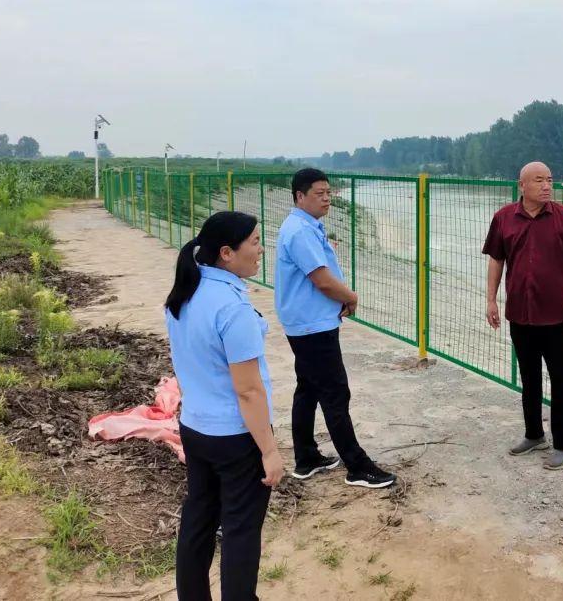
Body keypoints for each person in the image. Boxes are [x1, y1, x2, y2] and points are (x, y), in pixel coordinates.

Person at [164, 211, 284, 601]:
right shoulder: (232, 308)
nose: (261, 249)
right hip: (235, 438)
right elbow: (249, 391)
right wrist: (269, 450)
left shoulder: (184, 294)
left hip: (196, 428)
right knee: (241, 530)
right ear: (227, 253)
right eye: (254, 242)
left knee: (198, 518)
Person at [275, 167, 397, 488]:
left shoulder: (306, 225)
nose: (327, 198)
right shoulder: (300, 231)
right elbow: (322, 280)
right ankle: (357, 466)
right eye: (319, 193)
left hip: (308, 322)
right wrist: (351, 296)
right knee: (335, 393)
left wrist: (338, 298)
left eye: (329, 193)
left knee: (309, 389)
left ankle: (306, 457)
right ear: (300, 196)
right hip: (312, 327)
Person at [483, 161, 563, 470]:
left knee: (561, 381)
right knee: (528, 379)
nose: (546, 185)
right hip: (520, 314)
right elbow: (496, 261)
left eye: (550, 180)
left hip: (556, 316)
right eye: (539, 180)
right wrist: (491, 299)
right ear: (522, 186)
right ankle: (533, 434)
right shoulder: (504, 218)